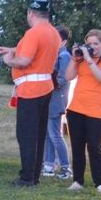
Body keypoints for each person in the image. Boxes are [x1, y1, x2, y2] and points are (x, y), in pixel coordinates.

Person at [0, 0, 60, 187]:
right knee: (39, 134)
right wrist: (13, 49)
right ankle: (34, 175)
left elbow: (24, 61)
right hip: (45, 87)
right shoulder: (53, 32)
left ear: (30, 13)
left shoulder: (33, 33)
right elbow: (36, 50)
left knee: (26, 134)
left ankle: (26, 177)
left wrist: (9, 60)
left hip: (30, 90)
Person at [63, 30, 101, 194]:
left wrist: (88, 58)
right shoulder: (81, 59)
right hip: (75, 108)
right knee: (77, 146)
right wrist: (74, 58)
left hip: (95, 110)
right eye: (89, 44)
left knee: (94, 146)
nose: (92, 47)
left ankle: (100, 183)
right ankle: (78, 180)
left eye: (96, 44)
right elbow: (68, 77)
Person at [42, 28, 74, 179]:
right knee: (49, 134)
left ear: (64, 41)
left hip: (57, 99)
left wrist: (47, 82)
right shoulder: (55, 54)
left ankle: (66, 167)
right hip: (50, 98)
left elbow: (63, 79)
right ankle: (49, 165)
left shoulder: (64, 56)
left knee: (55, 134)